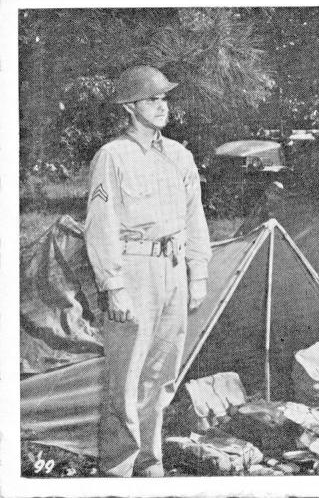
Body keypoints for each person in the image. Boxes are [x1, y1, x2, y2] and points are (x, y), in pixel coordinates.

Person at [84, 65, 212, 477]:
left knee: (162, 373)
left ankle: (149, 462)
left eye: (164, 98)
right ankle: (119, 470)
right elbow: (100, 222)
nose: (162, 106)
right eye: (152, 99)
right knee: (127, 374)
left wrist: (199, 272)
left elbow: (195, 218)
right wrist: (114, 286)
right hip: (134, 269)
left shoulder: (179, 155)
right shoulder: (112, 156)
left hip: (174, 268)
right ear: (129, 107)